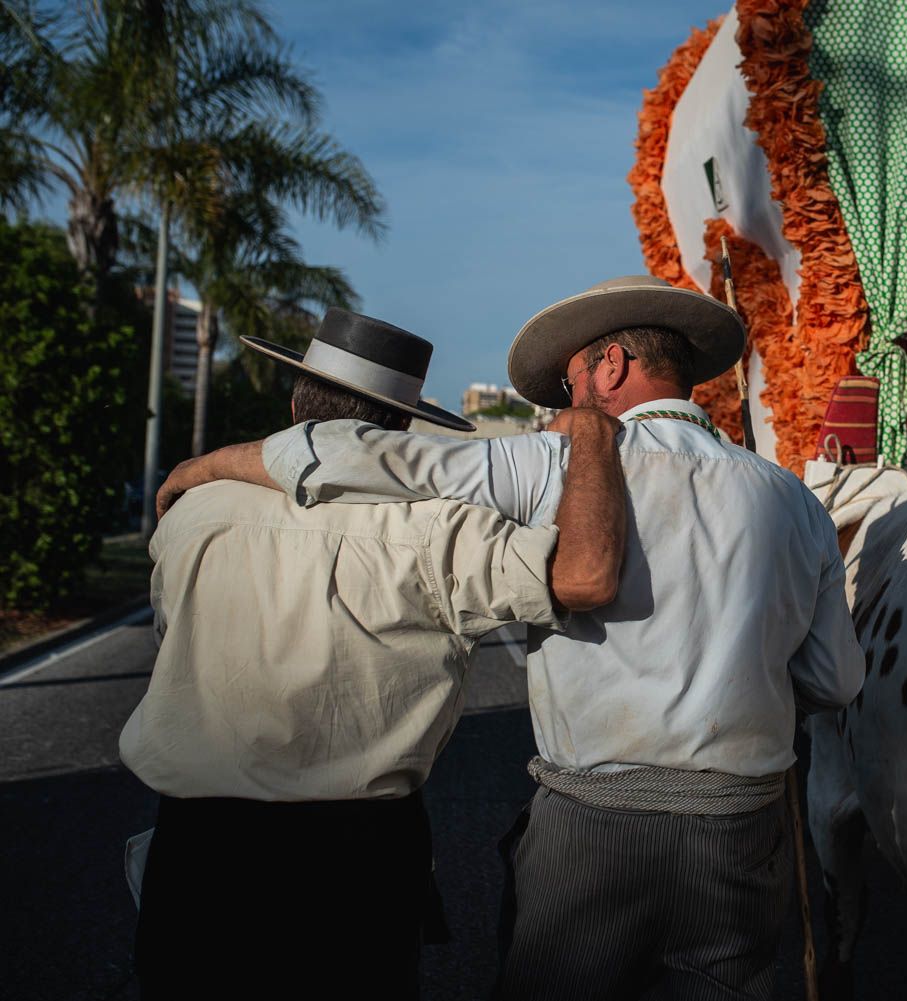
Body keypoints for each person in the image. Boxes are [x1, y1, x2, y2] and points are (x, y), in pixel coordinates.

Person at [159, 275, 866, 1000]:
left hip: (595, 824)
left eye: (569, 382)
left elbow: (367, 457)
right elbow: (835, 681)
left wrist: (206, 465)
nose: (563, 404)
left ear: (612, 367)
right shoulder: (794, 501)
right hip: (741, 828)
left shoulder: (552, 461)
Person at [126, 308, 626, 1001]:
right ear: (399, 428)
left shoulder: (193, 511)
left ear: (297, 403)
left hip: (198, 846)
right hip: (355, 856)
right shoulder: (443, 529)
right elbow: (581, 573)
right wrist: (595, 445)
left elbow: (168, 638)